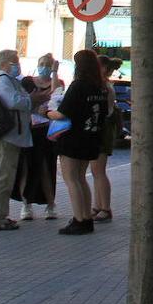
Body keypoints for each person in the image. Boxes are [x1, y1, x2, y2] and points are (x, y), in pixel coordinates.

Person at [46, 49, 108, 235]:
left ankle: (80, 218)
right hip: (91, 137)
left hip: (73, 138)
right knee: (81, 178)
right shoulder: (100, 87)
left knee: (71, 179)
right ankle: (86, 217)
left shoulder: (78, 86)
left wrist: (46, 113)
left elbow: (62, 113)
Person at [0, 49, 42, 231]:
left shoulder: (9, 81)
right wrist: (32, 99)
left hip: (11, 137)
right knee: (1, 178)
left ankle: (0, 215)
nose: (18, 65)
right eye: (15, 62)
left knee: (4, 177)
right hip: (5, 137)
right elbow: (15, 102)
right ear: (5, 64)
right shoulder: (3, 81)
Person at [15, 54, 62, 221]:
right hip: (29, 129)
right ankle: (26, 204)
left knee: (47, 167)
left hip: (47, 131)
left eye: (48, 65)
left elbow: (56, 97)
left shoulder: (57, 82)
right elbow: (23, 102)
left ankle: (50, 204)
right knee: (26, 167)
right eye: (42, 64)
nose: (44, 67)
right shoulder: (28, 82)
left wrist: (55, 73)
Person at [91, 55, 123, 222]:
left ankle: (105, 207)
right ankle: (98, 205)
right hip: (101, 130)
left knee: (99, 171)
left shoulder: (104, 87)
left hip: (102, 130)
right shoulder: (105, 85)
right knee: (96, 171)